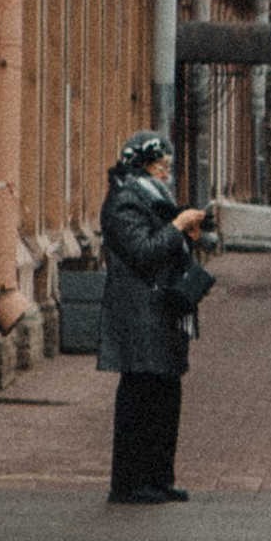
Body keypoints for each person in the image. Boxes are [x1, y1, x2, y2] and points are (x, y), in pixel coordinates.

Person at [97, 132, 215, 506]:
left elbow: (166, 246)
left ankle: (160, 477)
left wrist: (188, 234)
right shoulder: (123, 201)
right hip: (139, 313)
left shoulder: (155, 198)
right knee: (141, 396)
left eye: (166, 163)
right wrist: (177, 227)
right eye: (159, 163)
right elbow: (143, 252)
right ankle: (131, 483)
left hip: (164, 310)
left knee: (166, 395)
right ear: (140, 164)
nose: (166, 170)